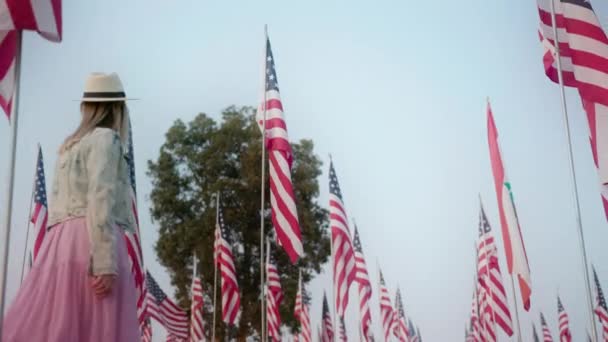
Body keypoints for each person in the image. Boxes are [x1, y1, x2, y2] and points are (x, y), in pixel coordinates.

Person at [2, 73, 140, 341]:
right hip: (92, 241)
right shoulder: (106, 139)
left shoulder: (69, 147)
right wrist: (105, 263)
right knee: (97, 329)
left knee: (59, 326)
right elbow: (99, 198)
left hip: (60, 244)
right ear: (118, 108)